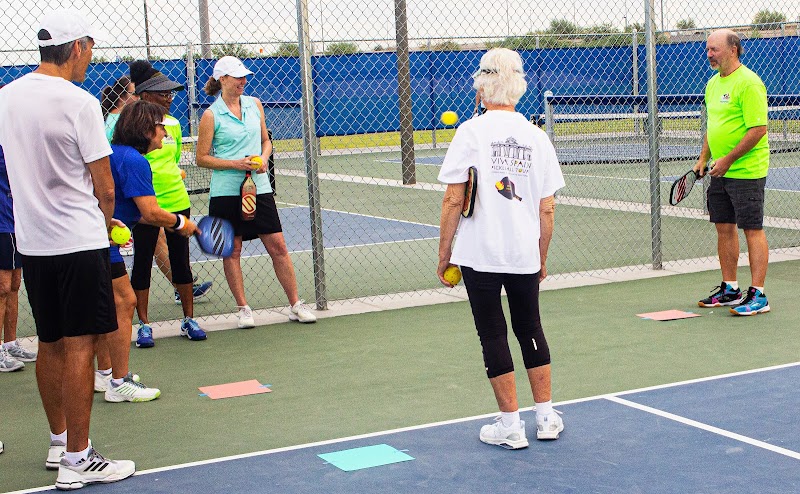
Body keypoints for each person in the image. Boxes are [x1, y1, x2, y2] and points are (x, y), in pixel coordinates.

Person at [0, 9, 135, 489]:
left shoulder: (6, 98)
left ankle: (59, 442)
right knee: (81, 344)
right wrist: (107, 222)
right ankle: (78, 457)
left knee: (51, 344)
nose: (89, 58)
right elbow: (104, 186)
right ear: (77, 47)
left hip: (32, 243)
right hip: (79, 241)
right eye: (90, 49)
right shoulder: (79, 103)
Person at [437, 48, 565, 449]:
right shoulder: (536, 136)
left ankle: (511, 425)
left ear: (481, 85)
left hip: (479, 255)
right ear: (519, 85)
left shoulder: (470, 133)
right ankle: (545, 417)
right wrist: (541, 256)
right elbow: (547, 208)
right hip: (524, 252)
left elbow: (453, 201)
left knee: (492, 332)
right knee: (530, 327)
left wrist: (444, 255)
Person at [196, 56, 316, 328]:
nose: (243, 81)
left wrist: (263, 158)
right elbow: (201, 158)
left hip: (259, 189)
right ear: (222, 79)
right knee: (232, 250)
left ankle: (296, 304)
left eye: (244, 76)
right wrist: (235, 164)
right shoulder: (210, 115)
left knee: (278, 246)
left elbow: (266, 141)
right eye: (237, 77)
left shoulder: (255, 105)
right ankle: (244, 310)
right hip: (226, 192)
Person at [128, 60, 208, 344]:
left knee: (181, 262)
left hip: (177, 199)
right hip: (146, 205)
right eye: (163, 93)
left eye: (171, 93)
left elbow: (172, 162)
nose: (169, 97)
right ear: (146, 95)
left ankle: (188, 320)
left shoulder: (173, 125)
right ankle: (144, 325)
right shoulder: (130, 124)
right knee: (142, 263)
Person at [694, 29, 771, 316]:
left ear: (733, 50)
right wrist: (704, 158)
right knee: (724, 227)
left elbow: (758, 130)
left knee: (752, 229)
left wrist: (728, 159)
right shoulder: (712, 84)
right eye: (708, 49)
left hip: (747, 170)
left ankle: (759, 294)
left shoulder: (749, 83)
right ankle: (730, 289)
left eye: (714, 49)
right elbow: (713, 127)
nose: (709, 54)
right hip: (720, 170)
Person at [0, 142, 37, 372]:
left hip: (17, 222)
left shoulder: (14, 138)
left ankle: (11, 343)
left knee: (13, 284)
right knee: (2, 287)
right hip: (2, 224)